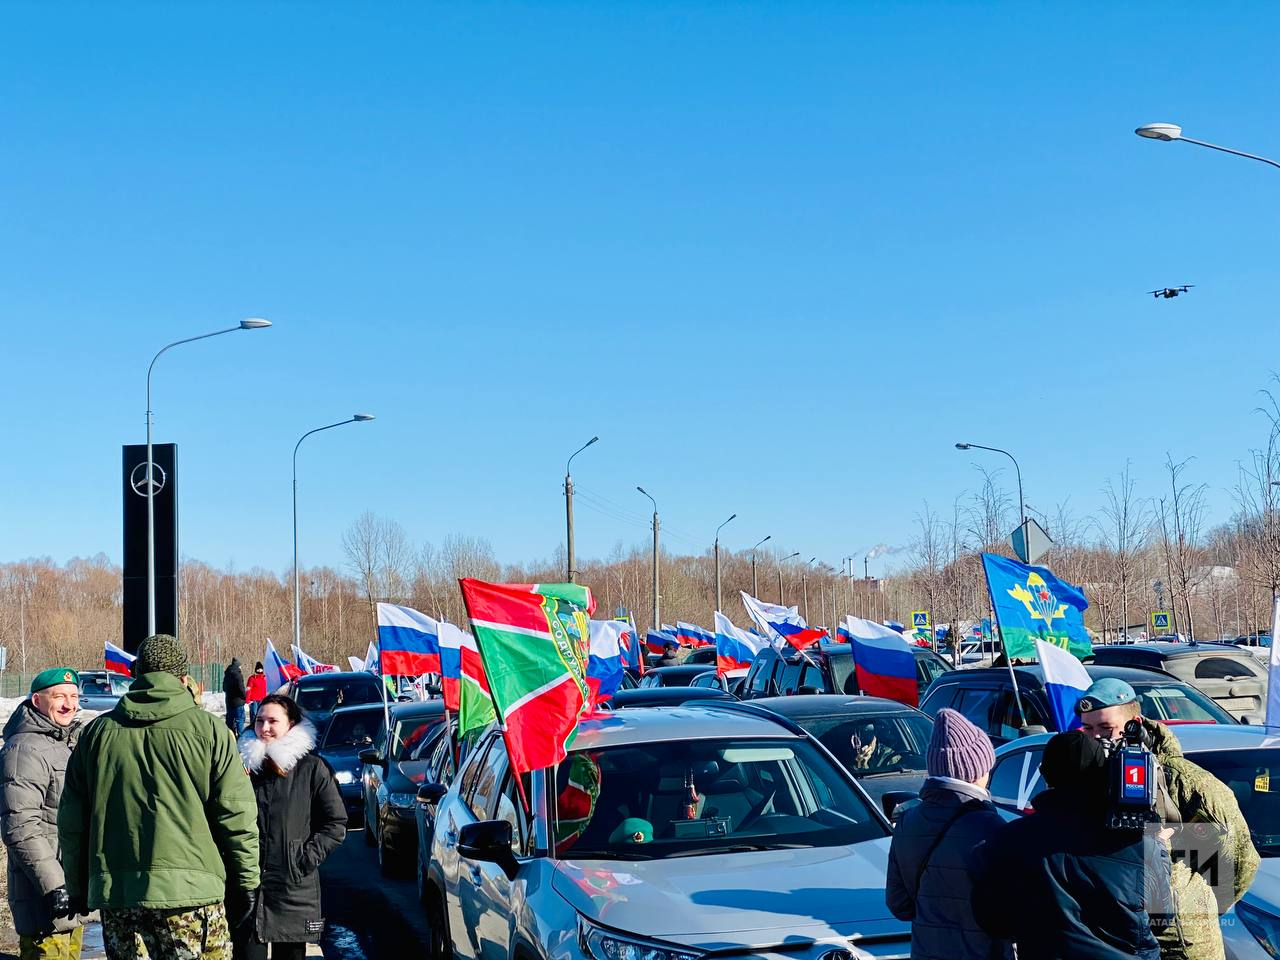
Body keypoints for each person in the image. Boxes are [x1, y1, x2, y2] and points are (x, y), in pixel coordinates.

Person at [58, 634, 259, 960]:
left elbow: (71, 821)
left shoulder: (96, 734)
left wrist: (78, 885)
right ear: (183, 678)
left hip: (120, 898)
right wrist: (247, 883)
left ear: (137, 675)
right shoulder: (210, 731)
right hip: (193, 897)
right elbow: (237, 816)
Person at [1075, 678, 1259, 960]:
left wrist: (1199, 902)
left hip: (1178, 940)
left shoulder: (1178, 779)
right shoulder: (1084, 777)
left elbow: (1238, 853)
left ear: (1134, 722)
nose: (1097, 738)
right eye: (1088, 729)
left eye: (1106, 728)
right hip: (1113, 934)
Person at [971, 731, 1170, 960]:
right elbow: (1161, 921)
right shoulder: (1139, 842)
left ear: (1046, 778)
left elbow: (994, 922)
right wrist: (1161, 850)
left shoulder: (1012, 839)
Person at [886, 708, 1008, 960]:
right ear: (977, 769)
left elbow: (899, 905)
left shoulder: (907, 821)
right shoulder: (991, 828)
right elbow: (1009, 915)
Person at [236, 694, 346, 960]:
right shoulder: (242, 768)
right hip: (249, 887)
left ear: (291, 724)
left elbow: (336, 823)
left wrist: (303, 859)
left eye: (273, 721)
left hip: (293, 888)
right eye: (259, 721)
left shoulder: (312, 768)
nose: (264, 728)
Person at [1, 668, 91, 960]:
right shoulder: (23, 750)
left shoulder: (63, 743)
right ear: (37, 701)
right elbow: (20, 825)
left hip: (70, 892)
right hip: (45, 897)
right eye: (59, 696)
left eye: (74, 696)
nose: (69, 704)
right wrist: (55, 886)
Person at [224, 658, 247, 737]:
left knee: (230, 720)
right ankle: (241, 738)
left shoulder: (227, 674)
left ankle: (231, 736)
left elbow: (224, 688)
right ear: (238, 666)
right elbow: (241, 688)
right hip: (238, 701)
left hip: (229, 701)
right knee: (240, 720)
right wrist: (244, 696)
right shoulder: (238, 675)